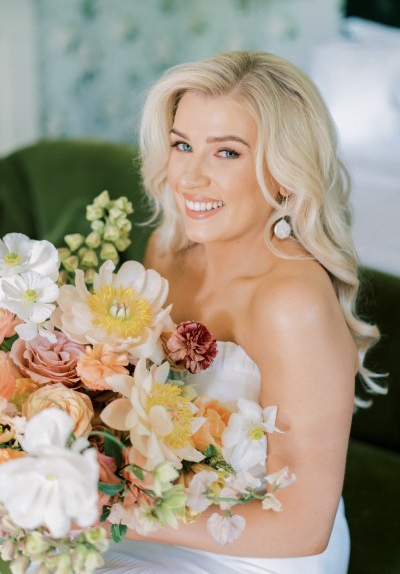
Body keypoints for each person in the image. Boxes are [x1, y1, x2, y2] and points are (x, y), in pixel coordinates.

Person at [99, 51, 381, 573]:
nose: (190, 176)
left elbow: (303, 526)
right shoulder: (167, 248)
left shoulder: (290, 303)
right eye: (182, 145)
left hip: (257, 547)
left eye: (226, 153)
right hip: (151, 509)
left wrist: (107, 512)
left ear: (284, 175)